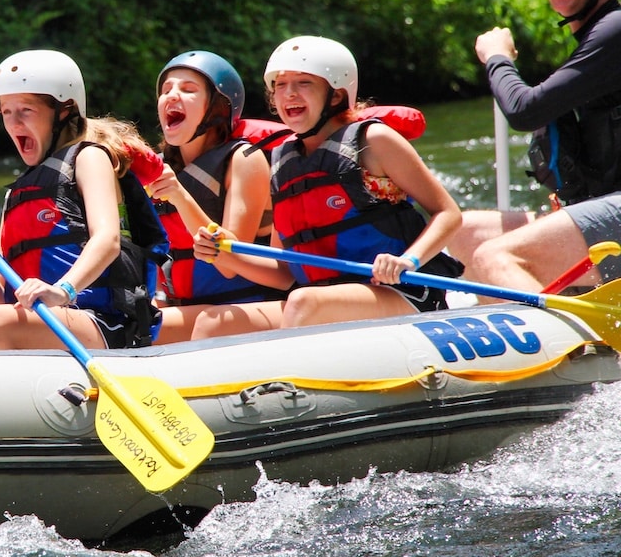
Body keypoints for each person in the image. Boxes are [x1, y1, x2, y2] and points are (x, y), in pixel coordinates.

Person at [191, 36, 464, 338]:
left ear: (335, 95)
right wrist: (223, 254)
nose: (288, 94)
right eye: (280, 85)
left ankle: (282, 384)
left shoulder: (374, 141)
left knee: (303, 301)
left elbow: (448, 213)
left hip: (401, 293)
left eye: (304, 83)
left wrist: (407, 260)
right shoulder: (283, 161)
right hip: (319, 300)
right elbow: (284, 273)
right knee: (213, 322)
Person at [445, 0, 621, 296]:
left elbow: (525, 110)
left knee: (495, 257)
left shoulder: (615, 31)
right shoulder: (597, 35)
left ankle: (577, 350)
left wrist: (497, 59)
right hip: (600, 206)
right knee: (463, 231)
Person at [0, 49, 169, 350]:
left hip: (105, 322)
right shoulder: (16, 194)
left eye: (26, 110)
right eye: (6, 112)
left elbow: (107, 240)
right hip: (51, 328)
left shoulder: (89, 157)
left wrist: (63, 291)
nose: (14, 124)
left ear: (65, 111)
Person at [143, 50, 284, 344]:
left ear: (218, 109)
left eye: (188, 89)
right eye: (166, 89)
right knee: (133, 323)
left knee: (144, 329)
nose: (172, 95)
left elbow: (228, 266)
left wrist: (180, 197)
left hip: (245, 307)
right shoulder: (157, 169)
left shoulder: (244, 159)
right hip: (186, 308)